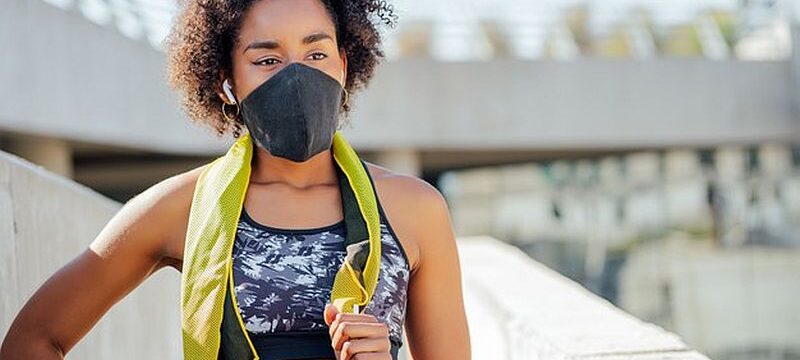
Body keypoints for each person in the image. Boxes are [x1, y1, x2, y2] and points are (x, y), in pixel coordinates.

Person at [0, 0, 471, 359]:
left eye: (316, 53)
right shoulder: (183, 207)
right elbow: (34, 340)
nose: (297, 77)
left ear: (344, 66)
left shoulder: (415, 209)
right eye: (267, 60)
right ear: (227, 80)